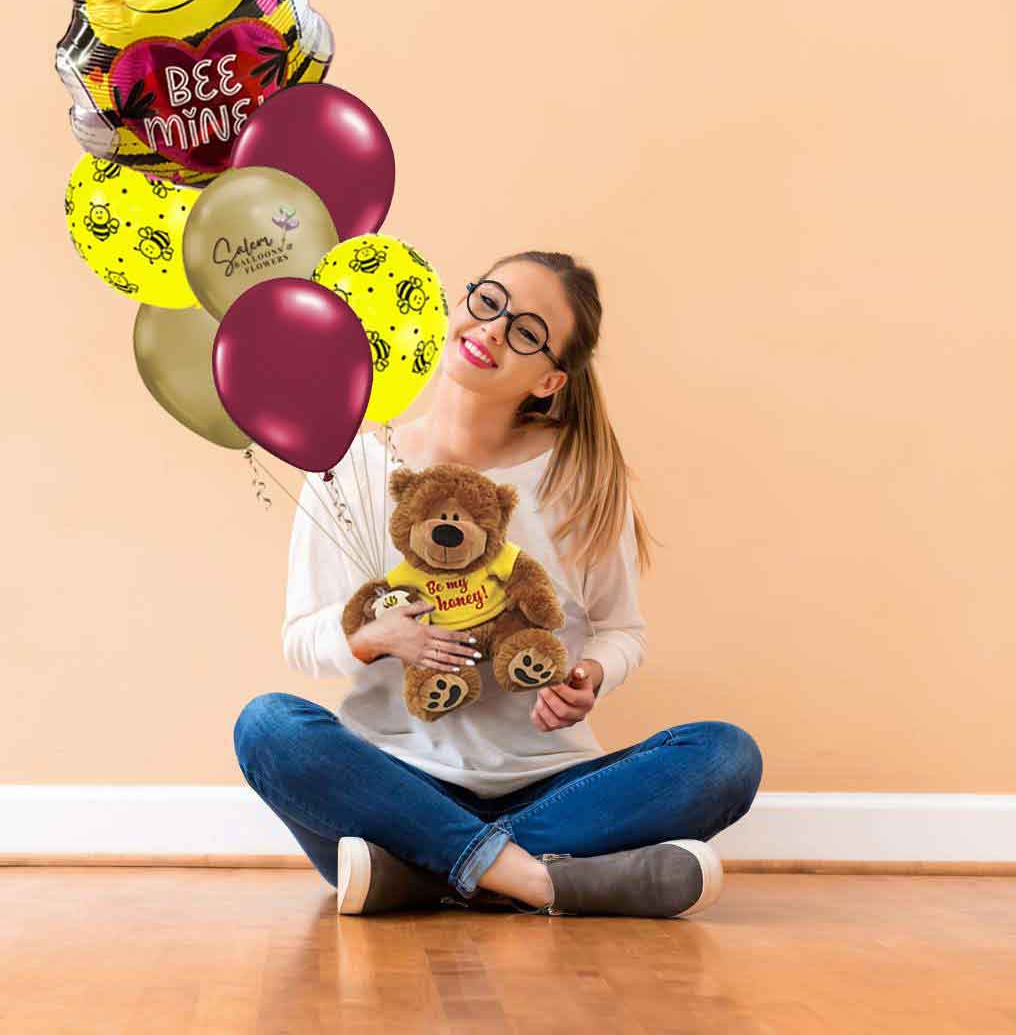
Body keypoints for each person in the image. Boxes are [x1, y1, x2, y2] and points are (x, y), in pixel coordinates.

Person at [234, 251, 763, 917]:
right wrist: (373, 637)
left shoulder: (577, 481)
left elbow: (620, 629)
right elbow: (302, 638)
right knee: (269, 727)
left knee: (725, 757)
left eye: (526, 331)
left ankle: (423, 873)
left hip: (550, 785)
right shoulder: (351, 466)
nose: (492, 329)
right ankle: (538, 880)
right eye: (488, 301)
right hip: (396, 785)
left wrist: (591, 675)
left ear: (548, 380)